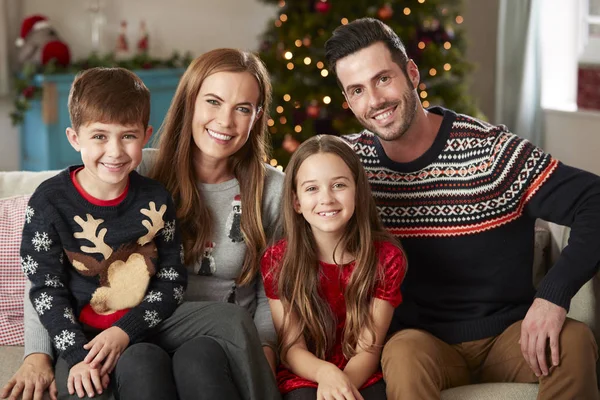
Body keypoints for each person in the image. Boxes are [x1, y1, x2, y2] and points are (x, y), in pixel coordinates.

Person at [323, 17, 600, 399]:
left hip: (512, 337)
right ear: (348, 100)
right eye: (356, 90)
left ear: (411, 73)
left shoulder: (490, 152)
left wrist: (554, 294)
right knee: (402, 353)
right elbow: (295, 204)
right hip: (422, 345)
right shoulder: (349, 167)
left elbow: (594, 200)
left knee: (572, 340)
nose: (374, 101)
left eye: (383, 79)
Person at [2, 49, 283, 400]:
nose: (225, 121)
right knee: (138, 361)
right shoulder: (135, 169)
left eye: (242, 108)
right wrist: (39, 355)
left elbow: (270, 290)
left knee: (220, 334)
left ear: (257, 116)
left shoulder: (271, 190)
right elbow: (46, 274)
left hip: (197, 325)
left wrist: (264, 355)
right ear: (189, 103)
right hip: (129, 325)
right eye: (213, 101)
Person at [19, 67, 187, 400]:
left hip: (139, 336)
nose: (115, 151)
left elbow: (172, 280)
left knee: (148, 375)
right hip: (78, 342)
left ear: (146, 135)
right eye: (99, 136)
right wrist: (78, 357)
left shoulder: (156, 199)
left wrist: (127, 331)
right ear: (74, 138)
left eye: (128, 135)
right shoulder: (48, 202)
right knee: (80, 390)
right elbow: (46, 289)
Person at [261, 135, 407, 400]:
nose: (326, 199)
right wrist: (326, 374)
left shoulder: (386, 259)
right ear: (296, 202)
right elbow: (291, 349)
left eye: (338, 185)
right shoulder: (278, 260)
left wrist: (341, 388)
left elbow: (368, 350)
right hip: (305, 373)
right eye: (312, 189)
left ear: (357, 191)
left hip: (361, 373)